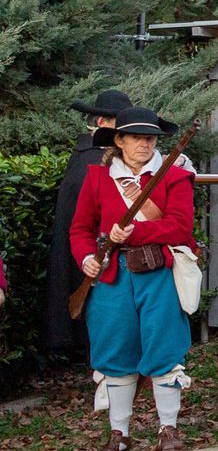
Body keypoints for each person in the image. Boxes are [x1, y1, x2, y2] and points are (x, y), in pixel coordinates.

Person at [69, 107, 200, 451]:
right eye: (137, 137)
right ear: (119, 140)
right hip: (112, 276)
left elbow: (180, 227)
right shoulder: (98, 178)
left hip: (157, 273)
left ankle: (168, 428)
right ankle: (119, 433)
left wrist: (134, 232)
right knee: (114, 351)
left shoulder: (174, 176)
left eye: (151, 138)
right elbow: (80, 229)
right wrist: (87, 258)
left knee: (164, 347)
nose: (145, 144)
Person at [41, 89, 129, 360]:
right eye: (120, 124)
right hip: (91, 252)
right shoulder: (93, 160)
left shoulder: (91, 156)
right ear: (102, 123)